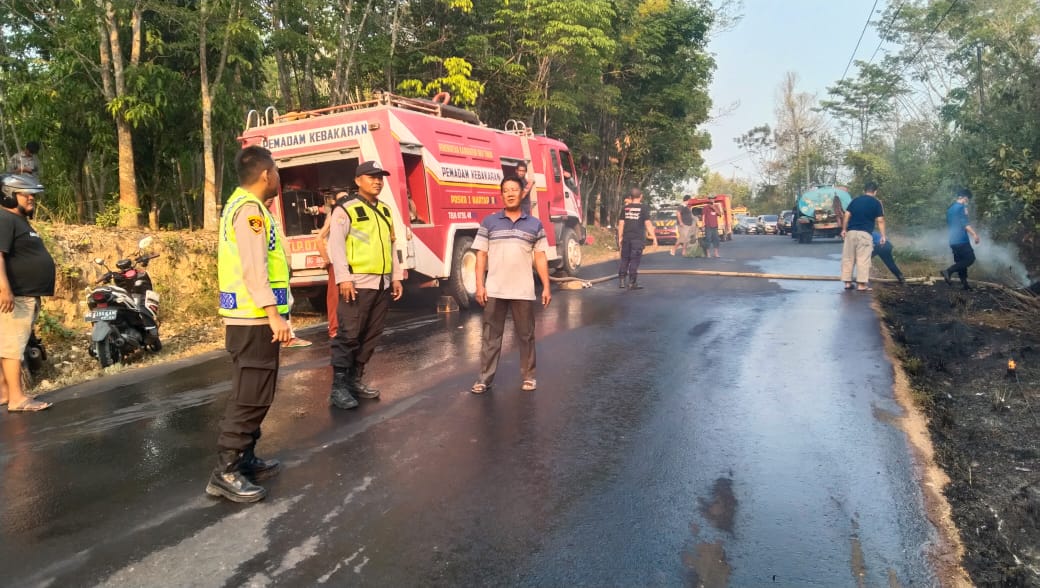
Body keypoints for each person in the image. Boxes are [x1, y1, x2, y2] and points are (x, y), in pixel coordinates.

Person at [208, 145, 292, 503]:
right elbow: (254, 267)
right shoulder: (249, 212)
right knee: (250, 396)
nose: (278, 177)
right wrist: (274, 314)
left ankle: (245, 458)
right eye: (275, 171)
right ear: (265, 175)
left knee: (258, 391)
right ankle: (225, 471)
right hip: (253, 317)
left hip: (252, 315)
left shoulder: (244, 206)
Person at [327, 161, 404, 410]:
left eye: (380, 177)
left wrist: (396, 276)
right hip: (357, 283)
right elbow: (336, 246)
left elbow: (392, 245)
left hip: (381, 284)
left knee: (371, 335)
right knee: (349, 335)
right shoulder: (345, 208)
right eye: (372, 177)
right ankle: (338, 388)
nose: (378, 181)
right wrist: (344, 278)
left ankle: (354, 381)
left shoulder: (385, 210)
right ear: (358, 180)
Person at [470, 176, 552, 394]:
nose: (510, 193)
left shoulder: (535, 224)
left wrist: (546, 286)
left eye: (514, 189)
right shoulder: (489, 222)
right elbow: (481, 255)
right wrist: (480, 285)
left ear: (521, 193)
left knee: (526, 335)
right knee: (490, 337)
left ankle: (529, 376)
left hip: (523, 290)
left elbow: (540, 257)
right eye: (506, 190)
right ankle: (484, 379)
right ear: (501, 195)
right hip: (495, 289)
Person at [0, 174, 54, 412]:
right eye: (25, 194)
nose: (32, 198)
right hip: (17, 294)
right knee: (12, 346)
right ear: (9, 196)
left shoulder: (18, 220)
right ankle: (17, 399)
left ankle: (4, 393)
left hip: (25, 293)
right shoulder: (4, 218)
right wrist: (4, 288)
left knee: (8, 345)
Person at [262, 193, 311, 349]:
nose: (270, 198)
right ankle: (286, 337)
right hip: (270, 274)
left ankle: (288, 336)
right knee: (280, 306)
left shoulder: (271, 215)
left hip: (281, 271)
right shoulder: (257, 216)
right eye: (265, 195)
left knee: (285, 304)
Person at [840, 180, 886, 292]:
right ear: (875, 191)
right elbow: (880, 220)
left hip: (851, 233)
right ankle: (861, 285)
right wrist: (883, 236)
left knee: (848, 258)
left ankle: (847, 283)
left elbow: (846, 215)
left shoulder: (855, 201)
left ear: (864, 191)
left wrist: (844, 229)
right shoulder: (876, 203)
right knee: (863, 259)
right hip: (864, 234)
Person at [316, 191, 350, 339]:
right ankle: (334, 329)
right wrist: (327, 259)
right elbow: (319, 238)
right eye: (341, 198)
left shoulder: (349, 211)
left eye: (347, 197)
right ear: (334, 202)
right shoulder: (334, 214)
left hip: (349, 261)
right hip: (336, 263)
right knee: (335, 297)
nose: (345, 200)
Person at [941, 188, 981, 290]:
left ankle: (965, 285)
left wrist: (965, 208)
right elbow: (965, 224)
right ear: (965, 197)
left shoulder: (950, 209)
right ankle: (948, 271)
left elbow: (955, 220)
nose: (968, 201)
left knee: (961, 262)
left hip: (953, 241)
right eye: (968, 199)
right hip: (961, 240)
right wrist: (974, 235)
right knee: (970, 259)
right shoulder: (960, 208)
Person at [617, 187, 656, 289]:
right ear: (641, 196)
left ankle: (621, 282)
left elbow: (621, 224)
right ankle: (632, 283)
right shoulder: (643, 208)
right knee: (634, 260)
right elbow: (648, 224)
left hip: (626, 238)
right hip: (637, 239)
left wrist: (619, 238)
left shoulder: (625, 208)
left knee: (625, 259)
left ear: (630, 197)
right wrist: (654, 238)